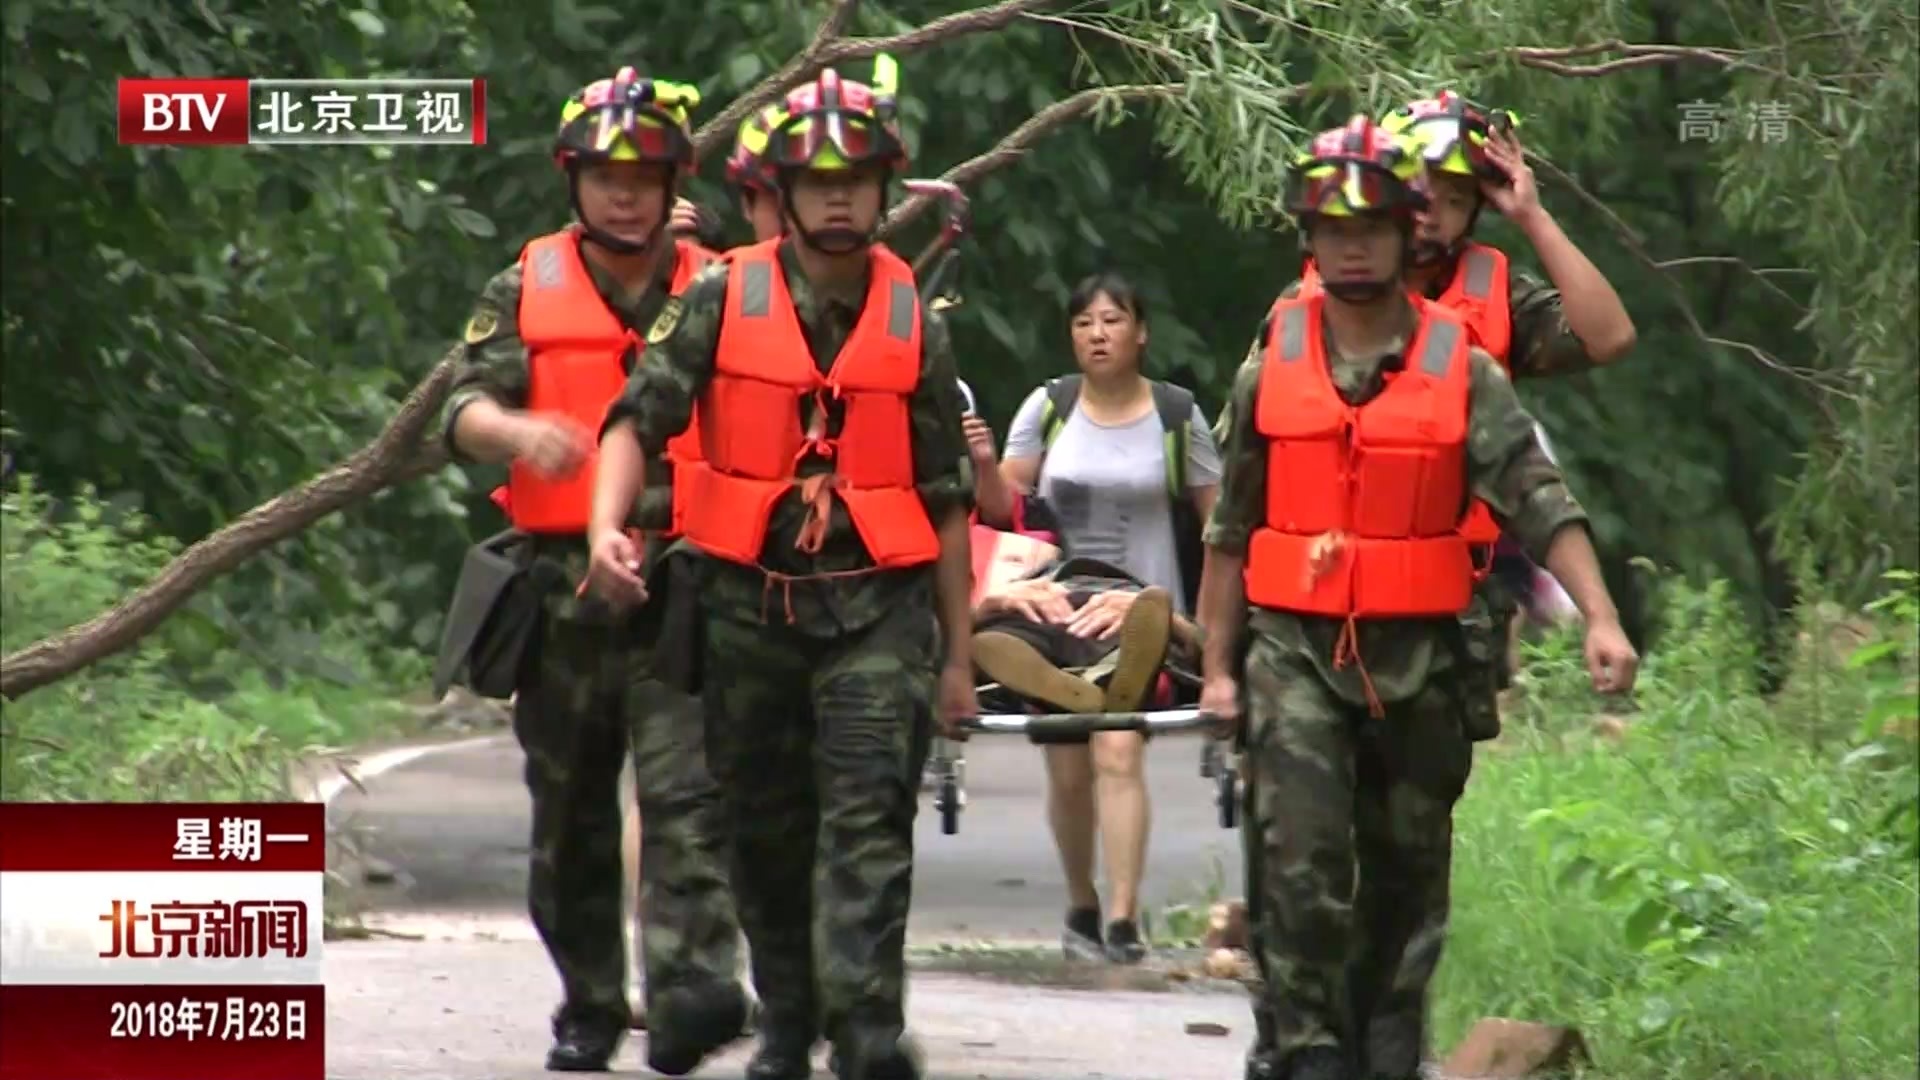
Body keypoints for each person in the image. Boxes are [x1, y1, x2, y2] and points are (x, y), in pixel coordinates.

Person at [1197, 116, 1640, 1080]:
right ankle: (1304, 1052)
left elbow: (1538, 496)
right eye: (1334, 227)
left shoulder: (1466, 367)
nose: (1355, 244)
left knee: (1401, 886)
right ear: (1309, 240)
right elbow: (1229, 528)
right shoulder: (1274, 358)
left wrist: (1599, 616)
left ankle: (1384, 1052)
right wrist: (1219, 668)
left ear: (1413, 233)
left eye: (1378, 224)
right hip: (1295, 647)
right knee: (1303, 868)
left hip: (1427, 648)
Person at [586, 56, 974, 1080]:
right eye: (817, 181)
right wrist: (604, 529)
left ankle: (868, 1028)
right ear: (785, 195)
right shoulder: (720, 297)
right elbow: (636, 420)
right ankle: (791, 1022)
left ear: (886, 191)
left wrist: (958, 656)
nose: (839, 198)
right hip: (745, 609)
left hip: (877, 614)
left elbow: (945, 498)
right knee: (763, 826)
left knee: (869, 820)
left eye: (857, 180)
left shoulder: (915, 324)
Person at [439, 67, 747, 1074]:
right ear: (573, 180)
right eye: (606, 174)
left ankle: (691, 991)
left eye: (645, 175)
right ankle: (590, 1005)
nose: (625, 193)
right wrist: (523, 432)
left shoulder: (724, 283)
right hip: (560, 590)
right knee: (569, 815)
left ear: (675, 184)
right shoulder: (523, 282)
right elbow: (462, 412)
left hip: (686, 582)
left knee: (686, 799)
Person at [1293, 92, 1638, 726]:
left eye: (1456, 201)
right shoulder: (1322, 296)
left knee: (1417, 813)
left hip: (1451, 590)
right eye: (1424, 191)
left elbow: (1609, 335)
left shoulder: (1493, 294)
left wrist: (1533, 217)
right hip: (1321, 587)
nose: (1434, 214)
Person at [994, 272, 1222, 964]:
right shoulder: (1047, 408)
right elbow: (1002, 517)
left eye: (1113, 320)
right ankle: (1081, 907)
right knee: (1068, 764)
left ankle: (1122, 920)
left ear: (1141, 332)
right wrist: (979, 466)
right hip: (1060, 603)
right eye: (1085, 323)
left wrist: (1209, 639)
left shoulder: (1179, 417)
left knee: (1117, 745)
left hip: (1145, 608)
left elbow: (1221, 536)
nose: (1098, 334)